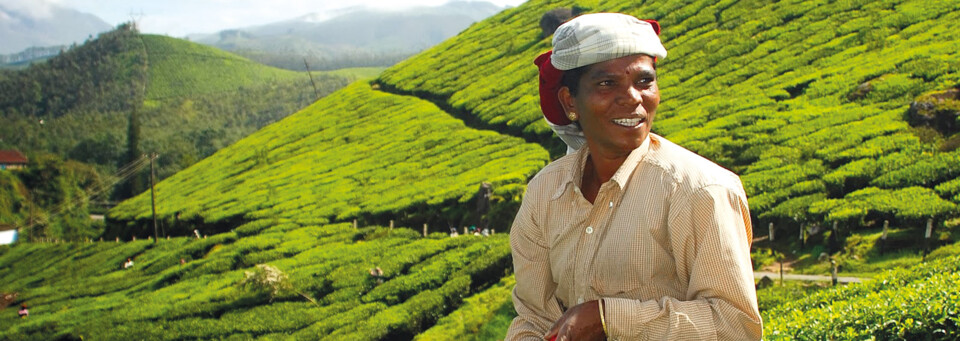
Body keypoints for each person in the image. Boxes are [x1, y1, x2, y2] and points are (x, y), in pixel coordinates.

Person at [507, 13, 761, 340]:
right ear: (570, 101)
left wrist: (608, 318)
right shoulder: (545, 193)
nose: (632, 98)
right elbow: (532, 317)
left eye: (644, 81)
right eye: (606, 83)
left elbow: (734, 327)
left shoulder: (701, 191)